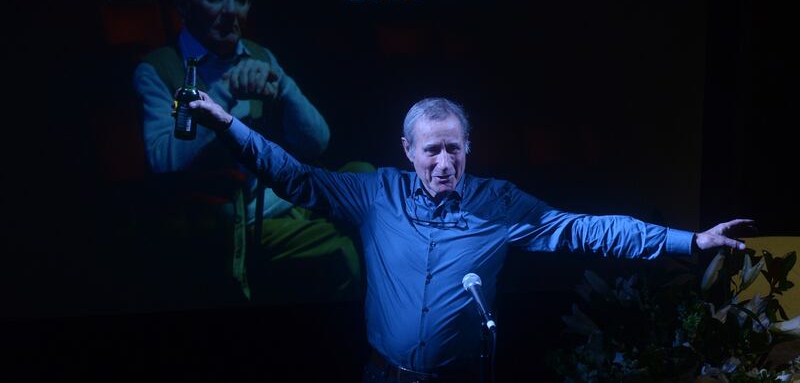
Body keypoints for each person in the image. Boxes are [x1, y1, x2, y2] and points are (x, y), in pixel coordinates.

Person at [187, 93, 755, 382]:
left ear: (468, 149)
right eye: (430, 149)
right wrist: (225, 124)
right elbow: (294, 176)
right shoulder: (372, 194)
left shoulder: (499, 205)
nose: (442, 162)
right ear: (407, 151)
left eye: (452, 148)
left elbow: (588, 231)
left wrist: (692, 242)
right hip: (385, 375)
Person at [132, 0, 366, 304]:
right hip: (227, 221)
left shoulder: (260, 56)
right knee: (344, 248)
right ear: (183, 4)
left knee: (364, 179)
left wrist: (284, 87)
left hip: (281, 195)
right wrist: (224, 94)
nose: (231, 11)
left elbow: (318, 144)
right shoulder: (160, 69)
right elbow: (164, 161)